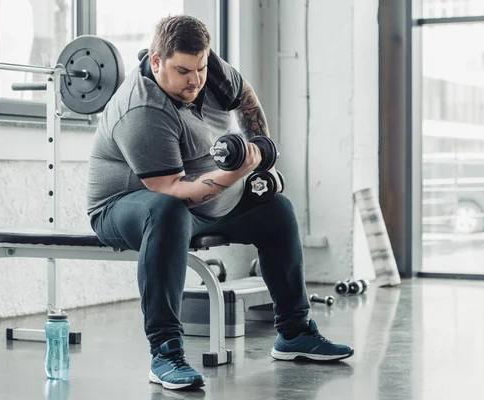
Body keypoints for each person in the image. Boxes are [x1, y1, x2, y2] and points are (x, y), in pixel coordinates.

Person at [86, 14, 353, 391]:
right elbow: (170, 189)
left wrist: (260, 148)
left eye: (200, 67)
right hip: (124, 206)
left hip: (191, 202)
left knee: (276, 211)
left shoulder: (204, 66)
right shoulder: (141, 109)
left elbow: (243, 95)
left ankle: (294, 333)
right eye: (183, 71)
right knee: (166, 211)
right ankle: (165, 352)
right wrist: (240, 170)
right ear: (157, 62)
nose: (195, 80)